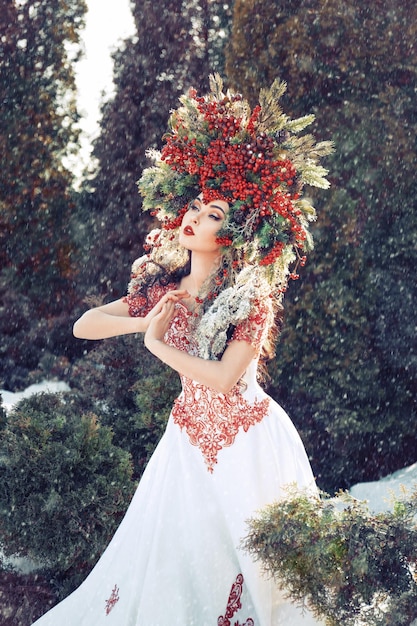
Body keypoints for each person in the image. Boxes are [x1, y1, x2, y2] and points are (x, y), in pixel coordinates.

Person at [32, 74, 332, 625]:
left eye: (215, 213)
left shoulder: (249, 298)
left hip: (249, 442)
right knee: (175, 568)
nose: (196, 217)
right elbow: (83, 326)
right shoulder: (162, 285)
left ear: (235, 231)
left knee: (262, 578)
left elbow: (223, 379)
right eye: (196, 206)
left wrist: (156, 343)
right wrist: (149, 317)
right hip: (186, 441)